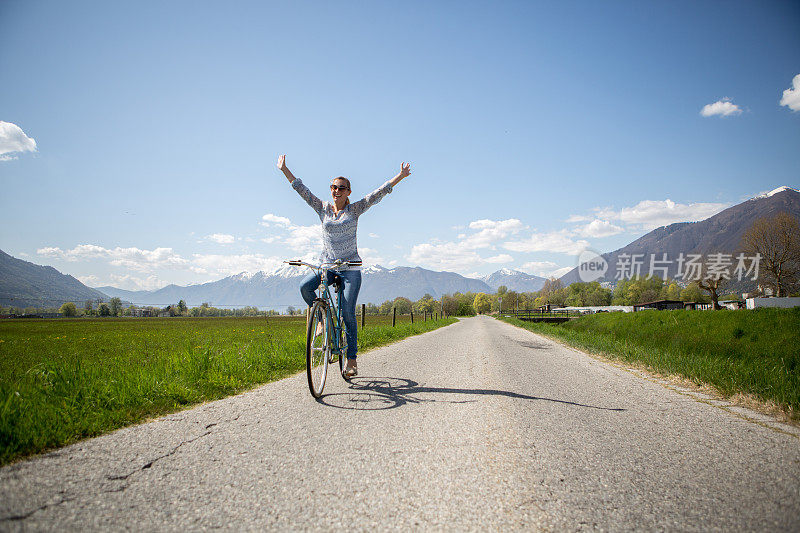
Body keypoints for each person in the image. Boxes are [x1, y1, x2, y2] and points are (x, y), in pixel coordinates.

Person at [277, 154, 411, 377]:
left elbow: (378, 193)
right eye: (333, 187)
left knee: (348, 312)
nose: (336, 190)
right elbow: (302, 190)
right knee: (305, 287)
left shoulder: (355, 210)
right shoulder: (323, 208)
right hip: (328, 266)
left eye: (341, 187)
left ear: (348, 191)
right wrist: (284, 169)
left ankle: (351, 360)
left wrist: (400, 176)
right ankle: (323, 319)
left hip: (351, 268)